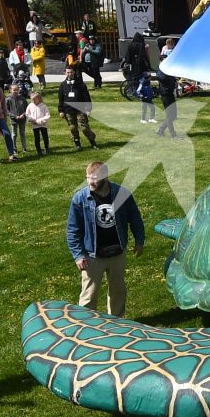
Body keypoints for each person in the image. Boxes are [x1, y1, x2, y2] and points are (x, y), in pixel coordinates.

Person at [67, 161, 145, 315]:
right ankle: (87, 327)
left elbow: (135, 218)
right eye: (87, 177)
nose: (90, 182)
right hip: (92, 256)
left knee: (118, 292)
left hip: (117, 252)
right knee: (89, 296)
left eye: (94, 178)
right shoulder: (80, 198)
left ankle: (116, 324)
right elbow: (72, 230)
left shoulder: (122, 194)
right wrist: (78, 255)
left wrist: (139, 240)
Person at [57, 63, 95, 150]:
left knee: (84, 127)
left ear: (74, 72)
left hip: (80, 109)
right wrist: (61, 111)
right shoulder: (62, 85)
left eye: (71, 72)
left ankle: (92, 141)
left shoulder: (80, 84)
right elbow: (60, 99)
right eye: (67, 72)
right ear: (65, 73)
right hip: (68, 110)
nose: (69, 74)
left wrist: (88, 109)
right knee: (73, 127)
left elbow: (86, 97)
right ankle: (77, 143)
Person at [25, 90, 53, 154]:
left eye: (34, 99)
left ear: (39, 99)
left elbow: (47, 115)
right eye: (32, 100)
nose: (33, 101)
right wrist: (32, 120)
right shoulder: (30, 106)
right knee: (37, 138)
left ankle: (46, 148)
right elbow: (27, 114)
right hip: (35, 125)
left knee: (45, 136)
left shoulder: (43, 106)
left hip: (43, 124)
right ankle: (39, 150)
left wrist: (41, 121)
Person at [155, 66, 180, 137]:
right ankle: (173, 135)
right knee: (170, 116)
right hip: (165, 95)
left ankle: (160, 131)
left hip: (170, 94)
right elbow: (162, 78)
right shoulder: (162, 70)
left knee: (173, 116)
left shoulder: (168, 69)